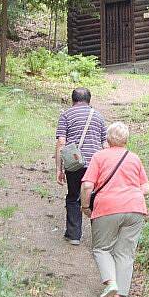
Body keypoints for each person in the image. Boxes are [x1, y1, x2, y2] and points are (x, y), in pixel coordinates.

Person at [80, 121, 149, 297]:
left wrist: (86, 206)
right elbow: (145, 188)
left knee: (102, 249)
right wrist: (130, 196)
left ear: (108, 139)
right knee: (125, 252)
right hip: (135, 209)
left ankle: (111, 284)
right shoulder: (134, 158)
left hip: (107, 208)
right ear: (126, 140)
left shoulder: (99, 157)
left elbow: (87, 185)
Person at [55, 87, 107, 245]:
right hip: (95, 164)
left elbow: (61, 142)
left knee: (73, 197)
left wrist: (59, 168)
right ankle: (98, 238)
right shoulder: (98, 116)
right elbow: (105, 144)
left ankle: (74, 235)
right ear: (89, 100)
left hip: (74, 163)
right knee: (94, 198)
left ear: (73, 100)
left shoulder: (65, 115)